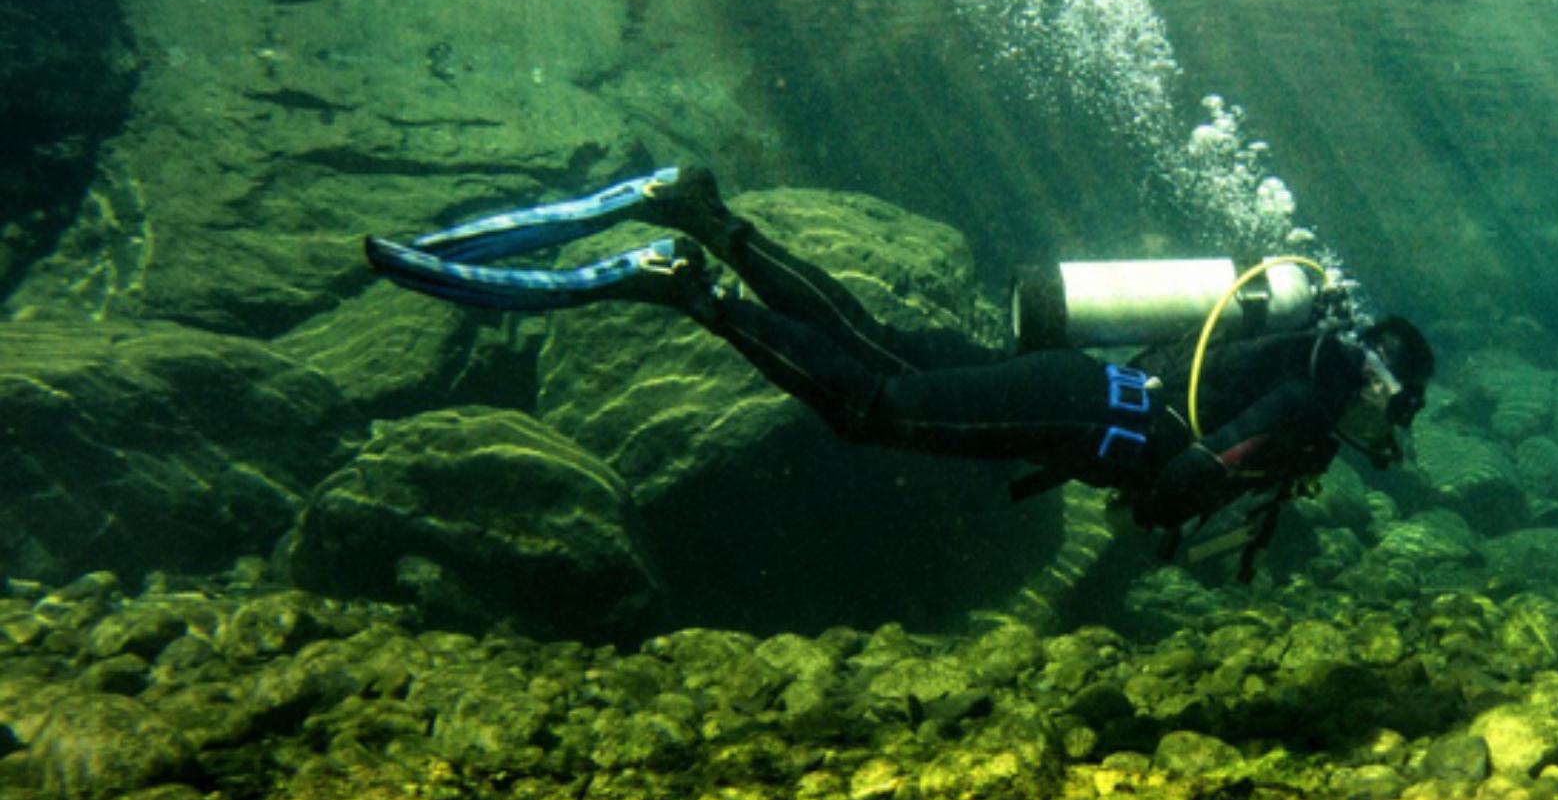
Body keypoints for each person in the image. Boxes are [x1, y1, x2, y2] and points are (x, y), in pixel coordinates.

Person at [365, 165, 1432, 572]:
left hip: (1077, 384)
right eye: (1403, 415)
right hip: (1076, 416)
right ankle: (688, 284)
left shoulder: (1301, 352)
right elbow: (1191, 474)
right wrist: (1157, 516)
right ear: (1385, 388)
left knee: (876, 342)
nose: (1392, 437)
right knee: (869, 405)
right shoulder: (1311, 401)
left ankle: (707, 215)